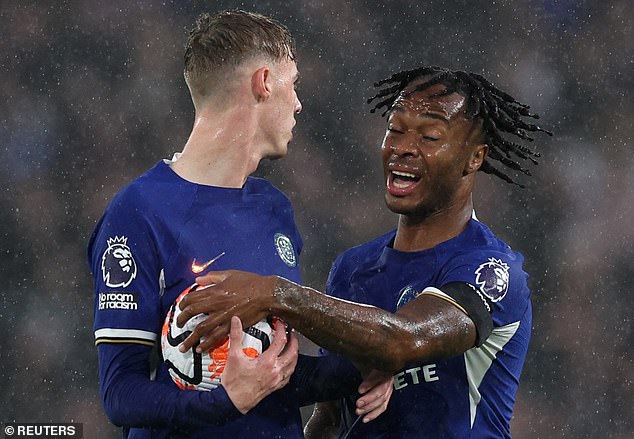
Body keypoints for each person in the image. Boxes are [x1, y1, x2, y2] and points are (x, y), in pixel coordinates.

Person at [175, 66, 552, 438]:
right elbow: (333, 416)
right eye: (395, 129)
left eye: (430, 136)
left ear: (475, 157)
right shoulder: (354, 267)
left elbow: (402, 340)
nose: (403, 148)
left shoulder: (490, 269)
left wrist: (273, 294)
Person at [87, 10, 390, 439]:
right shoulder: (139, 212)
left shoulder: (274, 208)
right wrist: (223, 403)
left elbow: (272, 372)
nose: (299, 103)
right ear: (264, 81)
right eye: (294, 82)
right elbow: (121, 394)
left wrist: (365, 371)